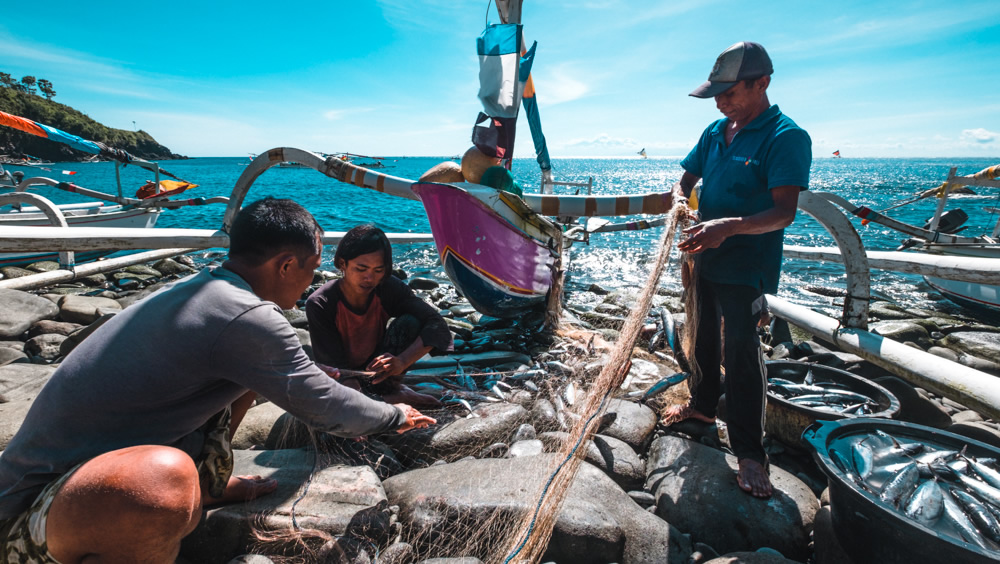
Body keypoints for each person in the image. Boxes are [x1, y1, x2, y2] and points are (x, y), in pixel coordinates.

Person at [0, 197, 436, 563]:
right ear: (286, 265)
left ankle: (207, 488)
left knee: (245, 382)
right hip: (28, 515)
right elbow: (324, 406)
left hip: (77, 484)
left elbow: (294, 380)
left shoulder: (207, 288)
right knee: (161, 480)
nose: (311, 283)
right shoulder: (247, 315)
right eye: (312, 267)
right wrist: (393, 415)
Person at [665, 42, 812, 499]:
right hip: (704, 255)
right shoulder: (715, 131)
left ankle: (751, 453)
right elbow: (685, 178)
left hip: (748, 265)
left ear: (762, 83)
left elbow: (784, 212)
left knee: (743, 352)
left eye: (730, 91)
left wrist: (730, 227)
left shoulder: (786, 137)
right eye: (716, 93)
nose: (720, 100)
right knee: (702, 333)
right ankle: (704, 409)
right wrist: (678, 199)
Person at [306, 224, 453, 409]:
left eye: (378, 270)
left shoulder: (389, 288)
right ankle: (395, 398)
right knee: (345, 402)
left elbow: (436, 323)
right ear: (342, 264)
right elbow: (334, 368)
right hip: (340, 376)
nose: (370, 278)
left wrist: (402, 361)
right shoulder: (321, 303)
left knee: (410, 322)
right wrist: (358, 404)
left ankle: (390, 391)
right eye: (361, 269)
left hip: (379, 373)